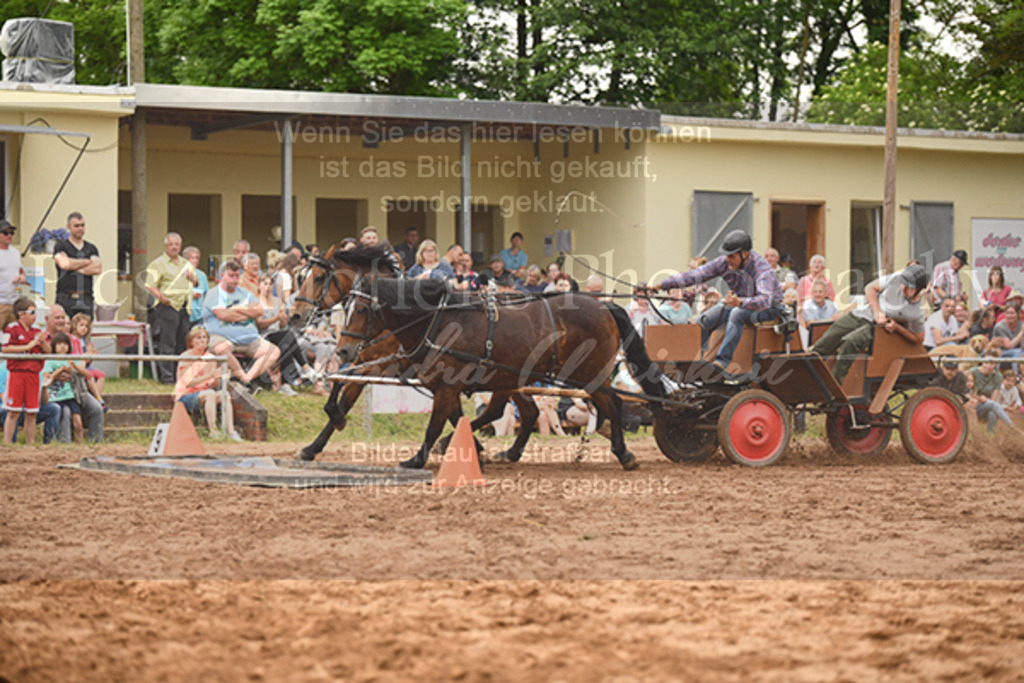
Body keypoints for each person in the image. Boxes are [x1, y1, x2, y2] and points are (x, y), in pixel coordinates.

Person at [649, 230, 784, 373]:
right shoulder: (725, 262)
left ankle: (721, 363)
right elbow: (695, 275)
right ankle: (702, 361)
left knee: (737, 314)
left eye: (731, 256)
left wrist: (739, 302)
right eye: (726, 255)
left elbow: (765, 300)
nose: (727, 260)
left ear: (744, 254)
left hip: (768, 309)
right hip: (739, 303)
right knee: (704, 319)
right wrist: (662, 285)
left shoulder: (762, 270)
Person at [809, 264, 929, 385]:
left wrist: (897, 328)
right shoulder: (896, 278)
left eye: (909, 288)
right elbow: (870, 288)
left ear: (919, 290)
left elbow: (918, 338)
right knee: (827, 340)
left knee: (850, 342)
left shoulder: (916, 313)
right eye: (904, 284)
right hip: (861, 314)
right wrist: (877, 312)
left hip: (877, 328)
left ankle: (833, 387)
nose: (903, 288)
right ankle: (806, 379)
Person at [202, 260, 280, 385]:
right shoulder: (214, 293)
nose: (234, 279)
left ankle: (247, 378)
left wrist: (237, 310)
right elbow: (223, 315)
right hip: (223, 337)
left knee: (273, 351)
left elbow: (259, 311)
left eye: (237, 276)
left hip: (249, 338)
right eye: (231, 276)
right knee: (221, 348)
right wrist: (246, 311)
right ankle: (244, 378)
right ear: (222, 276)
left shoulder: (246, 293)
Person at [44, 305, 104, 441]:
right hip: (55, 392)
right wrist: (57, 374)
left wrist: (73, 370)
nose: (60, 321)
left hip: (75, 387)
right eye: (56, 318)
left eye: (62, 318)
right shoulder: (41, 339)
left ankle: (95, 442)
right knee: (64, 412)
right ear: (47, 320)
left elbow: (80, 365)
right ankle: (65, 445)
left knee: (96, 409)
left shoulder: (74, 340)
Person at [144, 232, 198, 384]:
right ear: (165, 246)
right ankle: (167, 378)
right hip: (168, 307)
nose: (174, 247)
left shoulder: (185, 263)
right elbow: (150, 285)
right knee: (167, 344)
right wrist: (162, 298)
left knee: (182, 344)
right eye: (171, 244)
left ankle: (180, 376)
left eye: (176, 244)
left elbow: (196, 283)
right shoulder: (158, 263)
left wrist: (192, 278)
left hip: (184, 307)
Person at [175, 326, 241, 440]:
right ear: (191, 341)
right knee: (210, 393)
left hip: (205, 393)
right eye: (198, 338)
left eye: (204, 337)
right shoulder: (186, 356)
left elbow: (212, 384)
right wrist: (210, 375)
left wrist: (219, 377)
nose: (202, 340)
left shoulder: (210, 357)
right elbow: (187, 383)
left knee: (224, 394)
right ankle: (213, 431)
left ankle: (230, 431)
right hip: (186, 395)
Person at [2, 298, 49, 444]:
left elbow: (47, 351)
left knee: (32, 412)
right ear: (21, 314)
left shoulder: (37, 331)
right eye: (32, 312)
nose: (35, 316)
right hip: (17, 374)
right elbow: (5, 348)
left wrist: (42, 342)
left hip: (33, 374)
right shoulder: (11, 328)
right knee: (13, 411)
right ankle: (7, 442)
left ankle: (30, 443)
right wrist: (27, 346)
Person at [53, 211, 101, 319]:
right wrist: (87, 262)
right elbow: (64, 264)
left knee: (85, 332)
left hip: (86, 298)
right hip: (65, 297)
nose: (80, 228)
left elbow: (97, 269)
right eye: (76, 226)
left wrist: (72, 266)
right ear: (68, 227)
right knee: (64, 331)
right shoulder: (61, 246)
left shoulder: (91, 248)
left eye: (82, 225)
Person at [42, 332, 87, 442]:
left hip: (70, 395)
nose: (63, 346)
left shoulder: (72, 358)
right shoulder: (50, 360)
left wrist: (75, 366)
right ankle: (60, 442)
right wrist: (60, 371)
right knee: (62, 418)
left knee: (78, 423)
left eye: (65, 344)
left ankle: (79, 446)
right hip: (56, 397)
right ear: (53, 346)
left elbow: (85, 374)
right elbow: (47, 377)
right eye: (59, 344)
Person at [971, 352, 1024, 435]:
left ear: (996, 364)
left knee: (992, 411)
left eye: (991, 363)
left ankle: (991, 436)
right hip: (974, 406)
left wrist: (986, 400)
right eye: (986, 362)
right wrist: (979, 398)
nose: (988, 365)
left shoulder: (998, 376)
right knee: (992, 406)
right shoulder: (974, 372)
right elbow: (969, 393)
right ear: (982, 361)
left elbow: (994, 400)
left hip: (988, 405)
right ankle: (1014, 429)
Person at [70, 313, 106, 402]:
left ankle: (96, 399)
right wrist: (88, 353)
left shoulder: (85, 340)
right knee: (90, 376)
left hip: (87, 366)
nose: (84, 328)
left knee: (101, 374)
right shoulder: (72, 339)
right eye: (81, 325)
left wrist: (91, 355)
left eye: (86, 326)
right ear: (74, 326)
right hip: (78, 367)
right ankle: (98, 400)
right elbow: (77, 359)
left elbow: (87, 361)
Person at [0, 220, 27, 330]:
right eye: (5, 233)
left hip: (14, 303)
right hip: (1, 303)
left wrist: (22, 277)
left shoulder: (15, 252)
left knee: (13, 338)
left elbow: (20, 270)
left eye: (11, 233)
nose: (9, 235)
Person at [183, 246, 210, 330]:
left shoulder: (202, 275)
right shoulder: (180, 275)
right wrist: (191, 295)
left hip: (199, 315)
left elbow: (207, 294)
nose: (195, 261)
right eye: (192, 258)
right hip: (185, 315)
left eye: (197, 258)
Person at [991, 302, 1024, 368]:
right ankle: (1017, 375)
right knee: (1019, 352)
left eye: (1012, 313)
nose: (1009, 316)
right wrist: (1021, 333)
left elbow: (1023, 346)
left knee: (1020, 352)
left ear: (1017, 314)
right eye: (1007, 313)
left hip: (1018, 351)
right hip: (1001, 352)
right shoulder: (1000, 327)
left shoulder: (1021, 324)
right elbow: (1008, 346)